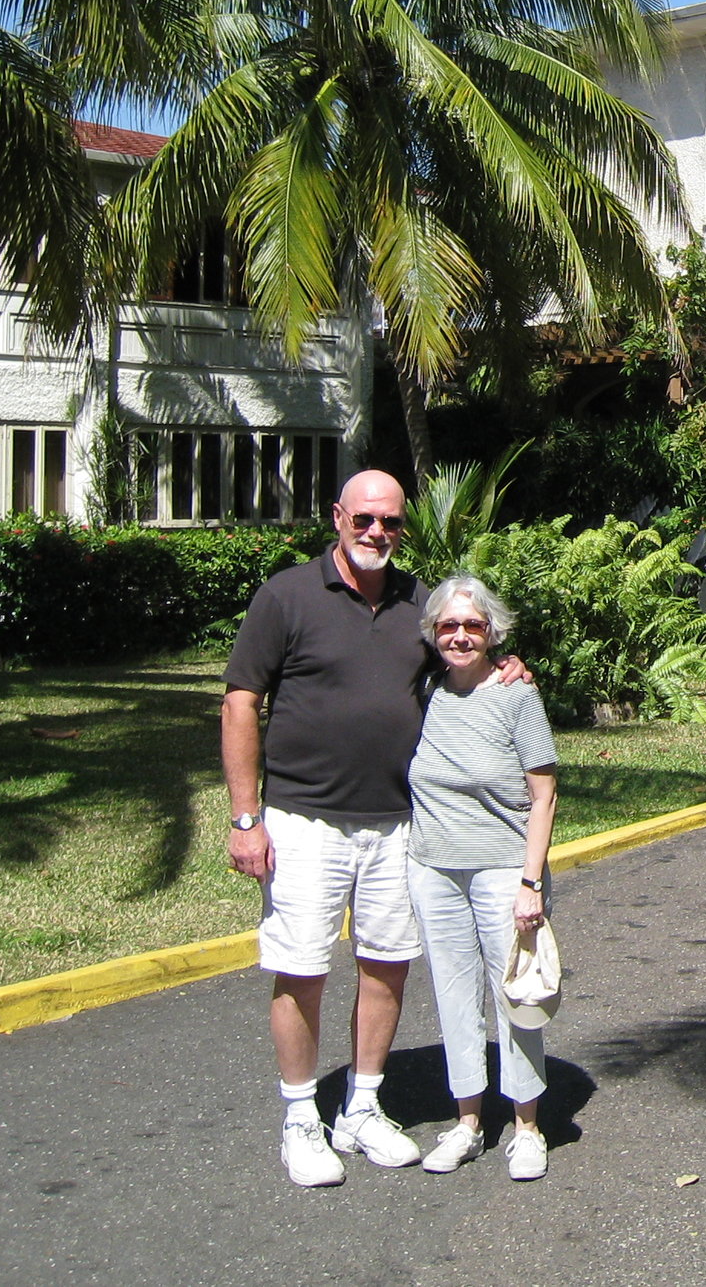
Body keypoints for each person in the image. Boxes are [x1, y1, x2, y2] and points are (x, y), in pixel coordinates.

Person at [221, 469, 528, 1188]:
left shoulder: (418, 602)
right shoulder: (287, 595)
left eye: (390, 522)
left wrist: (507, 663)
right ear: (338, 517)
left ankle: (361, 1106)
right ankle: (301, 1117)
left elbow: (463, 654)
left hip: (398, 824)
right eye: (364, 519)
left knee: (387, 962)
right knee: (301, 968)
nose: (377, 533)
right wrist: (246, 818)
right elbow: (241, 701)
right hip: (302, 820)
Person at [406, 573, 559, 1182]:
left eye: (473, 625)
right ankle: (468, 1121)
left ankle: (527, 1126)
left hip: (503, 869)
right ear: (433, 633)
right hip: (433, 868)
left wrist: (531, 883)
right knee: (452, 993)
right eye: (449, 625)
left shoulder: (517, 694)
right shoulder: (426, 691)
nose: (461, 635)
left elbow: (543, 795)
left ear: (492, 631)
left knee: (516, 997)